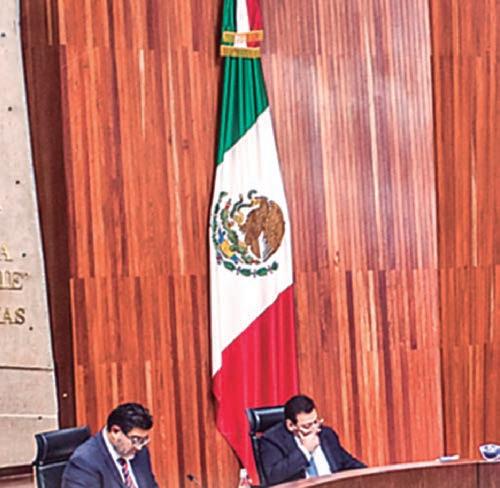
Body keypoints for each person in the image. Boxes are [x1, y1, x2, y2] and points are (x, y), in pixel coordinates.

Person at [260, 395, 365, 485]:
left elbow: (348, 463)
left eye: (315, 422)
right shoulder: (272, 440)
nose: (314, 429)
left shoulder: (325, 434)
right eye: (307, 426)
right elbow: (273, 477)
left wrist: (370, 475)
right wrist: (304, 451)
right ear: (291, 425)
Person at [62, 402, 158, 487]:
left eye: (143, 440)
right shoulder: (84, 462)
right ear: (115, 431)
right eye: (135, 440)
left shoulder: (139, 453)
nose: (139, 447)